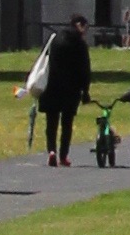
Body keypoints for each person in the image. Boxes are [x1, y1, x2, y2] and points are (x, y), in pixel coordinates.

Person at [33, 15, 93, 165]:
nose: (85, 31)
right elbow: (85, 69)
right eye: (85, 27)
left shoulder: (54, 39)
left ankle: (51, 150)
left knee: (51, 122)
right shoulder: (79, 44)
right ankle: (63, 156)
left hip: (51, 87)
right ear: (78, 24)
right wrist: (85, 91)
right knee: (67, 124)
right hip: (71, 89)